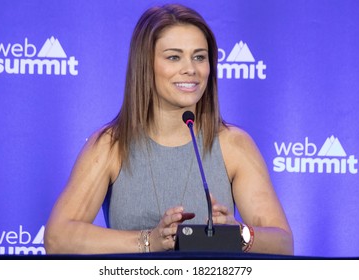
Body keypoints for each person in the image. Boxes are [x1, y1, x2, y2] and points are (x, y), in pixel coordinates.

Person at [44, 4, 294, 255]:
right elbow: (58, 238)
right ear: (145, 64)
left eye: (199, 57)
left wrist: (239, 234)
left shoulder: (234, 144)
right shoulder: (112, 144)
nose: (191, 69)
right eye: (174, 57)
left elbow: (283, 244)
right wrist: (147, 242)